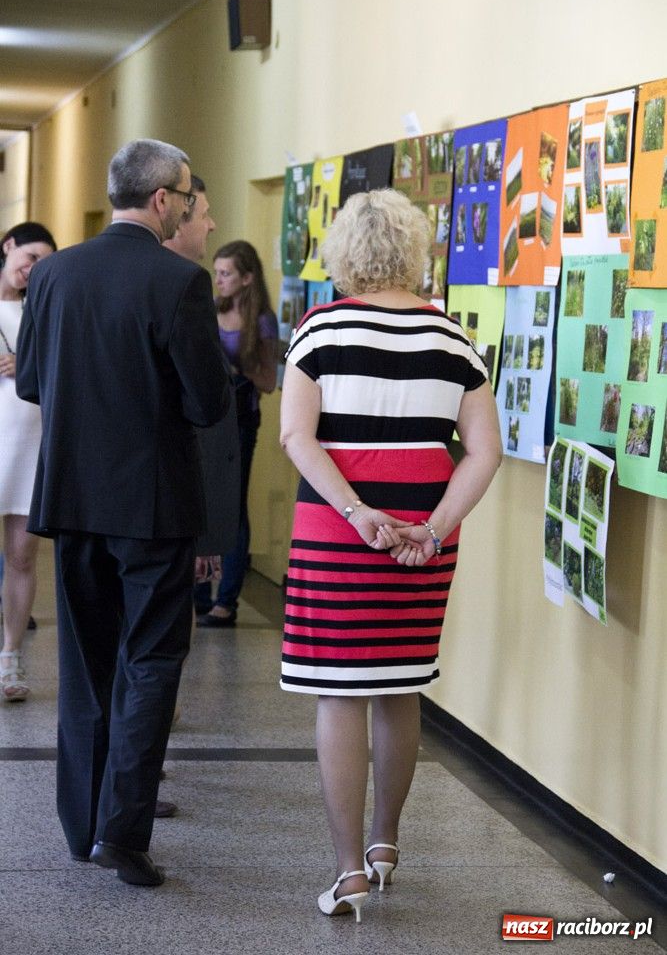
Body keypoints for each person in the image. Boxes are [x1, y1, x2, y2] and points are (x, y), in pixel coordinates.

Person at [279, 188, 502, 922]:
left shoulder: (320, 329)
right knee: (400, 687)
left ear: (344, 252)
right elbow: (484, 451)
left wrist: (355, 512)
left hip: (336, 531)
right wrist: (432, 529)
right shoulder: (452, 337)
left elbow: (296, 436)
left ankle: (347, 871)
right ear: (415, 251)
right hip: (423, 538)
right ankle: (384, 844)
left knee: (341, 692)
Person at [15, 139, 229, 887]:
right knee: (151, 661)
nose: (190, 208)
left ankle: (82, 826)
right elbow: (206, 402)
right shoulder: (179, 281)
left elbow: (31, 381)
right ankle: (123, 833)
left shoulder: (55, 273)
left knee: (85, 664)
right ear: (163, 199)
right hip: (153, 506)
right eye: (188, 196)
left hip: (72, 499)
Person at [196, 240, 278, 627]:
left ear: (247, 278)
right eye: (217, 272)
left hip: (241, 421)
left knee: (233, 508)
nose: (219, 280)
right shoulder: (211, 309)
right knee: (200, 505)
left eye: (226, 273)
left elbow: (268, 382)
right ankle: (198, 594)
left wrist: (235, 371)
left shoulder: (262, 320)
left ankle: (226, 601)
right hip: (205, 421)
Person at [163, 176, 240, 569]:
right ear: (178, 220)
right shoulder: (185, 287)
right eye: (205, 215)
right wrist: (202, 532)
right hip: (170, 513)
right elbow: (203, 409)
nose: (212, 225)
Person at [0, 222, 57, 702]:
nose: (33, 269)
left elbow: (65, 369)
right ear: (8, 247)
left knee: (22, 555)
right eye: (31, 256)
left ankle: (11, 656)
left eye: (44, 263)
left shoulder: (43, 309)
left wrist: (28, 366)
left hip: (28, 442)